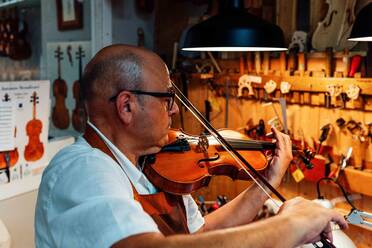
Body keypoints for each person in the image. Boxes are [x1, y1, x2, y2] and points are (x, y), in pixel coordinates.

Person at [35, 44, 348, 248]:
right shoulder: (83, 169)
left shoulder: (147, 165)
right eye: (167, 98)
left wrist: (264, 185)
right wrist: (289, 225)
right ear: (127, 107)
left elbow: (199, 236)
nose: (174, 110)